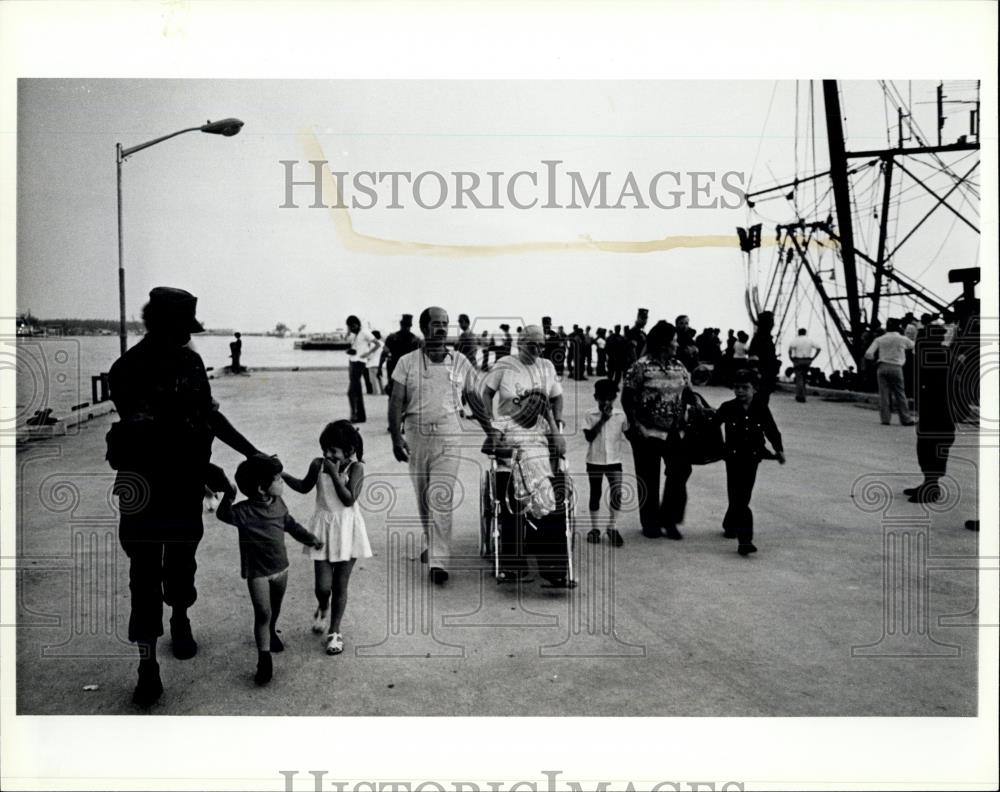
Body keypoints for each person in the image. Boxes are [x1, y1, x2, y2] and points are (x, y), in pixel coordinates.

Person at [107, 286, 265, 707]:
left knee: (180, 562)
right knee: (143, 573)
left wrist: (251, 452)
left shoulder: (192, 362)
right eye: (182, 326)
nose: (188, 334)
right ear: (159, 324)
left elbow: (209, 415)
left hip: (183, 488)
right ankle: (147, 666)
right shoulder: (126, 369)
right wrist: (202, 466)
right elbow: (147, 434)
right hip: (141, 488)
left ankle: (179, 617)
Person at [389, 307, 481, 585]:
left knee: (440, 495)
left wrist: (492, 432)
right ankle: (433, 541)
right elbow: (395, 401)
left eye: (445, 324)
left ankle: (439, 561)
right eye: (436, 324)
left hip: (449, 435)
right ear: (424, 327)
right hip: (417, 434)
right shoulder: (407, 362)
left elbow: (475, 399)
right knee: (423, 495)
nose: (441, 329)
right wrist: (396, 437)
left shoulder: (461, 362)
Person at [216, 455, 323, 684]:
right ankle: (264, 659)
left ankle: (272, 631)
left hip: (281, 568)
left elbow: (291, 525)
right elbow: (222, 514)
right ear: (261, 487)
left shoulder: (279, 504)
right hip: (258, 573)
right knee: (262, 613)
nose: (282, 482)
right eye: (277, 479)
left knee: (274, 609)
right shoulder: (243, 512)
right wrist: (229, 496)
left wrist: (310, 538)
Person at [480, 325, 570, 585]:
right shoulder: (504, 366)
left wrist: (554, 420)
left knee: (553, 499)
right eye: (534, 345)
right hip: (513, 468)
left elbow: (557, 400)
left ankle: (553, 567)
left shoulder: (546, 372)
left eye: (542, 345)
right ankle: (513, 564)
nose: (539, 349)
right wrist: (491, 424)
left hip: (540, 469)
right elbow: (486, 396)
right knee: (510, 497)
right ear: (521, 342)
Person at [282, 420, 372, 655]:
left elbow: (349, 499)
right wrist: (281, 473)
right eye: (325, 450)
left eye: (333, 451)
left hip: (348, 530)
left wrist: (333, 474)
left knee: (340, 585)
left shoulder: (356, 469)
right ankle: (323, 605)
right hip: (323, 529)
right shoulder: (318, 464)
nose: (327, 455)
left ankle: (335, 631)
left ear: (349, 451)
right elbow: (303, 486)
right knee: (323, 587)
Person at [621, 321, 693, 540]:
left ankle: (669, 519)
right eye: (674, 339)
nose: (677, 343)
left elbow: (688, 393)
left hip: (675, 432)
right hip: (646, 433)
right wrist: (636, 425)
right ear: (663, 343)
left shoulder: (679, 366)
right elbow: (627, 398)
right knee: (648, 478)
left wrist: (695, 404)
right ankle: (650, 523)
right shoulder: (640, 367)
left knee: (680, 472)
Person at [713, 369, 785, 556]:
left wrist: (779, 449)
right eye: (737, 387)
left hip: (752, 457)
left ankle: (730, 524)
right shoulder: (728, 407)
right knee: (738, 496)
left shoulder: (760, 407)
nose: (740, 391)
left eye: (745, 388)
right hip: (733, 457)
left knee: (742, 495)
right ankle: (745, 541)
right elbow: (712, 425)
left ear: (755, 389)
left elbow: (771, 429)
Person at [903, 325, 954, 503]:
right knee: (925, 446)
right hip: (933, 409)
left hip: (939, 410)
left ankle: (932, 487)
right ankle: (928, 483)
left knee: (932, 446)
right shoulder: (936, 355)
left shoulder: (937, 356)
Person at [583, 378, 628, 547]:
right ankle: (595, 528)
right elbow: (589, 437)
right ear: (596, 398)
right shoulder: (590, 414)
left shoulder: (620, 415)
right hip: (594, 459)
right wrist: (603, 419)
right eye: (603, 399)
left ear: (614, 398)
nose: (606, 402)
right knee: (596, 493)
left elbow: (628, 432)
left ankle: (612, 526)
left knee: (617, 492)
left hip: (614, 460)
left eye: (610, 398)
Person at [864, 318, 915, 426]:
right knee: (900, 393)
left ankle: (885, 419)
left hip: (882, 366)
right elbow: (913, 346)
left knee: (884, 394)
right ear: (899, 327)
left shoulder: (880, 339)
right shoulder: (902, 339)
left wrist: (874, 361)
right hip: (896, 367)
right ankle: (906, 419)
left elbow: (868, 353)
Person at [345, 315, 381, 423]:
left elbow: (377, 344)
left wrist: (368, 353)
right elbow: (348, 342)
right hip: (352, 361)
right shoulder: (354, 334)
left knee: (352, 391)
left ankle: (355, 415)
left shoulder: (364, 332)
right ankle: (359, 416)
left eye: (353, 326)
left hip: (359, 362)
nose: (352, 328)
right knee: (356, 390)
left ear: (357, 324)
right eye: (350, 327)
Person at [378, 314, 421, 398]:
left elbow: (384, 353)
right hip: (408, 369)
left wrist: (379, 368)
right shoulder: (415, 340)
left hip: (395, 368)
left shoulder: (392, 337)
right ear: (411, 325)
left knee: (393, 394)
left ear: (400, 324)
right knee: (407, 395)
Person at [748, 311, 779, 406]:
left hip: (766, 375)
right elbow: (753, 359)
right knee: (760, 401)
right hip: (763, 375)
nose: (774, 324)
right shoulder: (761, 339)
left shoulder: (761, 338)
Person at [788, 328, 822, 403]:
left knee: (799, 378)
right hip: (807, 360)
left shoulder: (795, 340)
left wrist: (791, 357)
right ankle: (803, 395)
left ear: (798, 333)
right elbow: (819, 348)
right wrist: (813, 357)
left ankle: (799, 396)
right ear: (805, 333)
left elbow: (790, 349)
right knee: (804, 378)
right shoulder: (810, 340)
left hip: (798, 360)